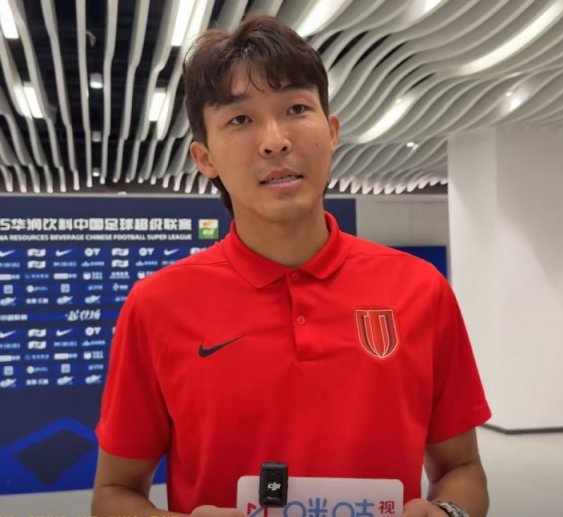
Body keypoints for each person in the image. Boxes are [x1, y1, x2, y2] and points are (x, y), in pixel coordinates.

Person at [92, 14, 491, 517]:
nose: (275, 140)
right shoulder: (156, 307)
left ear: (331, 132)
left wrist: (448, 512)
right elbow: (115, 493)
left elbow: (462, 468)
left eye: (297, 109)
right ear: (204, 158)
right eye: (240, 120)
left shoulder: (420, 290)